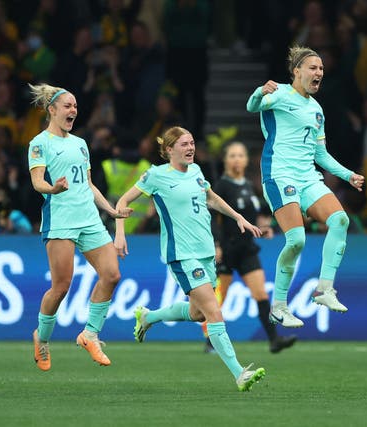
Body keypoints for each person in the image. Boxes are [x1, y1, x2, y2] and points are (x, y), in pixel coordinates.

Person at [114, 126, 266, 392]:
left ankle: (148, 317)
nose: (190, 148)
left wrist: (239, 217)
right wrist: (119, 233)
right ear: (169, 150)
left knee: (197, 313)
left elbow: (211, 198)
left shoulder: (196, 171)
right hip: (182, 256)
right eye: (184, 144)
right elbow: (122, 201)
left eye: (192, 143)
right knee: (213, 312)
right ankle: (239, 373)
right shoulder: (156, 176)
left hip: (206, 252)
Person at [246, 45, 365, 328]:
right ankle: (279, 306)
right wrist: (259, 91)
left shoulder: (316, 109)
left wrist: (348, 175)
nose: (319, 73)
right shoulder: (278, 94)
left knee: (339, 220)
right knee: (296, 240)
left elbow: (320, 155)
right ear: (296, 71)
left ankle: (324, 289)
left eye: (321, 69)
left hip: (307, 176)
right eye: (313, 67)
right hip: (279, 174)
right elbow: (251, 107)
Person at [27, 83, 132, 371]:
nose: (73, 110)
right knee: (60, 287)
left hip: (89, 219)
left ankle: (90, 334)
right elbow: (37, 182)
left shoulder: (80, 143)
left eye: (74, 106)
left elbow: (87, 184)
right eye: (67, 106)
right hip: (60, 221)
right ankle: (42, 338)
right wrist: (53, 189)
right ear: (52, 110)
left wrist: (110, 211)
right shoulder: (39, 143)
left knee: (111, 275)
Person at [203, 141, 297, 354]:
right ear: (226, 160)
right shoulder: (221, 186)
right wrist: (216, 244)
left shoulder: (248, 185)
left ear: (246, 160)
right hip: (227, 249)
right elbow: (212, 218)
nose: (237, 159)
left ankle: (274, 340)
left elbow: (253, 215)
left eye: (240, 155)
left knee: (261, 295)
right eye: (232, 155)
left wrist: (262, 228)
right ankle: (211, 341)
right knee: (219, 298)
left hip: (247, 248)